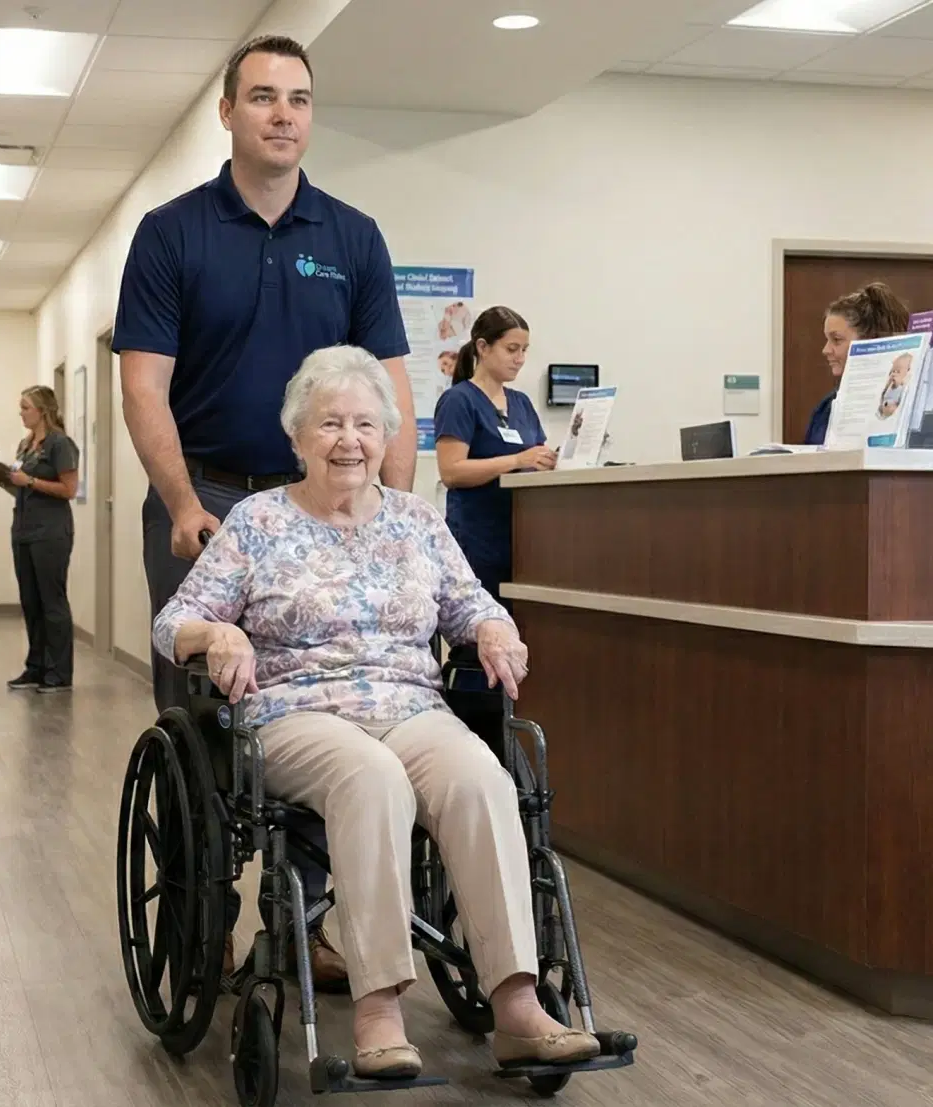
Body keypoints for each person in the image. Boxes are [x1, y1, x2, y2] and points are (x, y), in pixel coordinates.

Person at [152, 347, 600, 1079]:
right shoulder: (257, 522)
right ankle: (379, 1008)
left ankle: (518, 1003)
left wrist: (491, 628)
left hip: (408, 703)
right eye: (329, 423)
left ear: (388, 437)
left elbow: (468, 602)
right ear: (297, 437)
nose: (349, 440)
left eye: (365, 423)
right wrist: (219, 632)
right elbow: (175, 622)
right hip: (297, 712)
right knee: (372, 776)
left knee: (480, 775)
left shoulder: (417, 521)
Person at [113, 33, 417, 991]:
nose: (283, 113)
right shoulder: (171, 231)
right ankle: (201, 918)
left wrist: (394, 519)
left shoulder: (353, 237)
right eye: (262, 97)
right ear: (228, 112)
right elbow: (143, 386)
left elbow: (389, 389)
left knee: (334, 698)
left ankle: (320, 922)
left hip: (319, 508)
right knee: (199, 715)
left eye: (299, 98)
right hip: (204, 493)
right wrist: (177, 503)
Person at [433, 307, 554, 607]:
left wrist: (546, 461)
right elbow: (451, 471)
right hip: (478, 538)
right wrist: (516, 461)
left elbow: (534, 456)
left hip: (522, 537)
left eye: (524, 350)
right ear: (483, 348)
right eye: (512, 349)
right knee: (480, 634)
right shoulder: (459, 400)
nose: (520, 359)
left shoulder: (521, 403)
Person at [4, 385, 79, 693]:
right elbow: (24, 484)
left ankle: (59, 673)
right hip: (23, 529)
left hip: (50, 533)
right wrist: (12, 481)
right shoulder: (25, 445)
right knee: (31, 602)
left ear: (42, 411)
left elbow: (69, 490)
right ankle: (35, 667)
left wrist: (30, 481)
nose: (21, 413)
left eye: (25, 407)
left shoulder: (61, 444)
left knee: (52, 601)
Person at [804, 282, 911, 445]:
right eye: (827, 340)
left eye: (836, 340)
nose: (825, 350)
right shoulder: (826, 408)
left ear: (870, 341)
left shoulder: (911, 404)